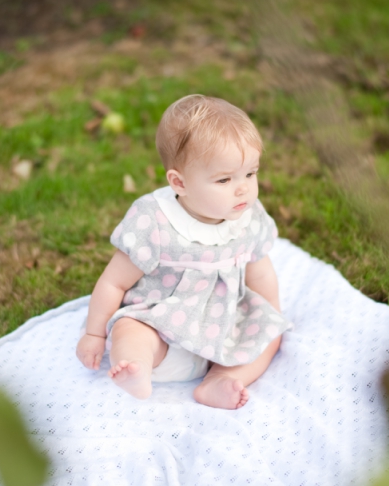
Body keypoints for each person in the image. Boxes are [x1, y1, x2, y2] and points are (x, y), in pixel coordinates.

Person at [76, 94, 292, 409]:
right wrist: (94, 335)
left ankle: (220, 380)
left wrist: (270, 312)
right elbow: (114, 282)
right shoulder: (154, 221)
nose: (243, 187)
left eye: (250, 173)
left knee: (271, 334)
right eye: (224, 179)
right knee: (130, 329)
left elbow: (260, 269)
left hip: (223, 333)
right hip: (161, 327)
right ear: (180, 183)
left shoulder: (248, 216)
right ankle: (136, 367)